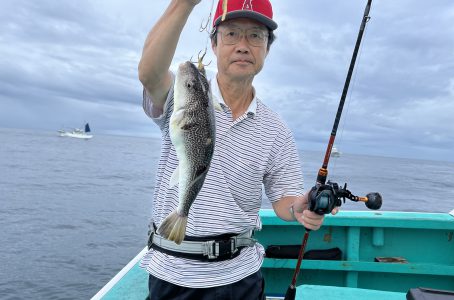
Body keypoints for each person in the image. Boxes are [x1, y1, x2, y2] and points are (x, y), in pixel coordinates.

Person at [138, 0, 338, 299]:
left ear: (267, 49)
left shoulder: (276, 129)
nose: (243, 46)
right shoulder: (183, 97)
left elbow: (286, 203)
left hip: (240, 278)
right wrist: (184, 3)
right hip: (172, 274)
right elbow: (150, 73)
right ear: (214, 44)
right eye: (231, 34)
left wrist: (305, 205)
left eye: (255, 36)